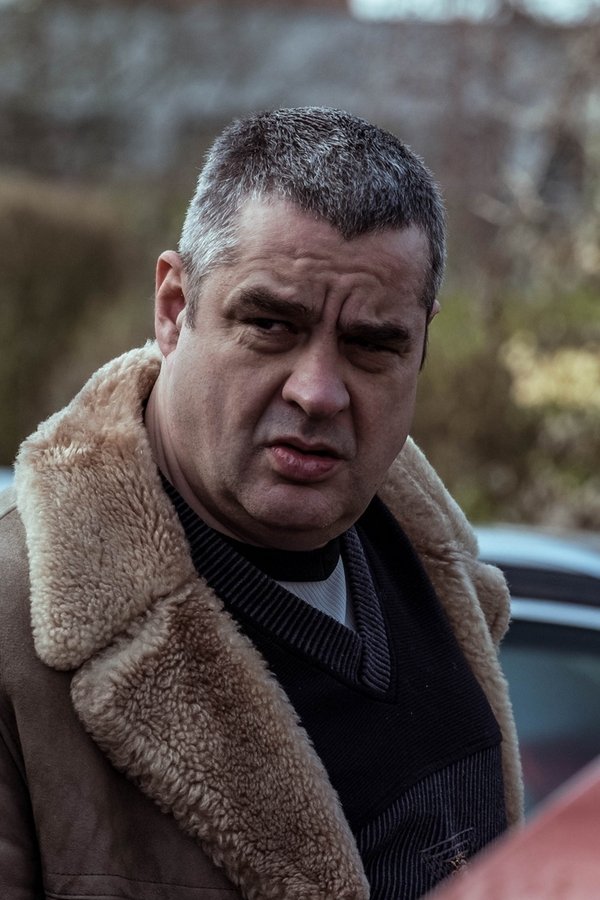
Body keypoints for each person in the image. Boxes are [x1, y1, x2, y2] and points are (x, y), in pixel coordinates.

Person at [0, 107, 522, 900]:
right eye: (272, 324)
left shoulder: (435, 579)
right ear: (173, 307)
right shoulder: (15, 629)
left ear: (421, 345)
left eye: (372, 345)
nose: (318, 392)